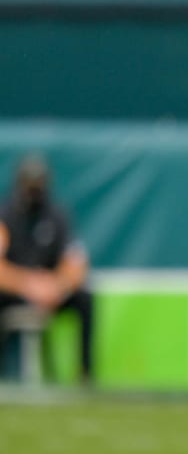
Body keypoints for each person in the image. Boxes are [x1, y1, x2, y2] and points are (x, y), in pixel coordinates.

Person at [0, 154, 94, 385]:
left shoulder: (57, 217)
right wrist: (27, 284)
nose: (34, 191)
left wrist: (57, 286)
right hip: (15, 293)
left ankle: (85, 373)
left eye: (38, 184)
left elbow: (76, 262)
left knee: (85, 300)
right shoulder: (5, 216)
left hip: (50, 292)